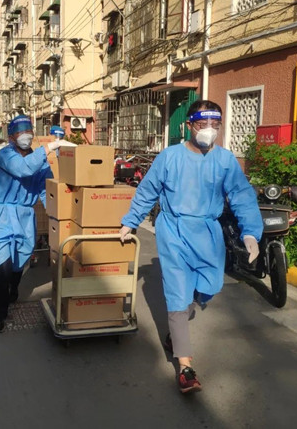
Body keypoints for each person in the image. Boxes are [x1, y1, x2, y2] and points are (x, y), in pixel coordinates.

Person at [119, 100, 263, 394]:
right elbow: (148, 190)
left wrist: (250, 233)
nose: (209, 130)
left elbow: (241, 195)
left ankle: (178, 326)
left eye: (215, 125)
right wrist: (130, 221)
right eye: (202, 124)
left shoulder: (225, 160)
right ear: (189, 126)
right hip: (173, 230)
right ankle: (185, 367)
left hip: (208, 232)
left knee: (211, 285)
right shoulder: (170, 157)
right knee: (177, 294)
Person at [0, 115, 72, 333]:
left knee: (18, 262)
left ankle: (14, 288)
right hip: (3, 215)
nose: (25, 135)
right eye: (20, 132)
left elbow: (45, 190)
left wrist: (56, 215)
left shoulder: (39, 162)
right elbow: (22, 169)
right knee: (3, 266)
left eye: (28, 131)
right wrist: (50, 147)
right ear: (12, 137)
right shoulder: (5, 155)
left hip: (24, 216)